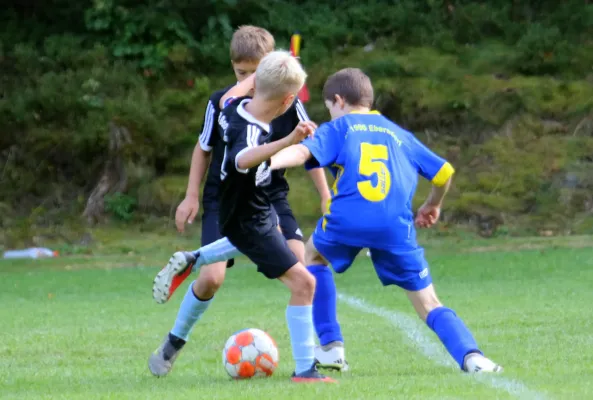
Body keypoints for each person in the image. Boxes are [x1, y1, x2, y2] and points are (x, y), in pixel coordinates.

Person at [238, 67, 503, 374]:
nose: (331, 115)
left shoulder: (340, 129)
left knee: (312, 255)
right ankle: (474, 358)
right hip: (395, 226)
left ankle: (331, 347)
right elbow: (444, 173)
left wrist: (269, 162)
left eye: (329, 109)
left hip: (348, 219)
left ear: (338, 101)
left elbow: (300, 152)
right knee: (429, 302)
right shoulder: (399, 134)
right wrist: (433, 205)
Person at [149, 26, 332, 376]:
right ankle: (174, 341)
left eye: (255, 72)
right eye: (241, 73)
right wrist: (190, 196)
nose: (248, 80)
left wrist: (325, 194)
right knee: (213, 279)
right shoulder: (225, 104)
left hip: (269, 192)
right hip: (228, 193)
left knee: (298, 265)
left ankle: (310, 355)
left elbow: (310, 150)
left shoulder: (289, 102)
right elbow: (208, 150)